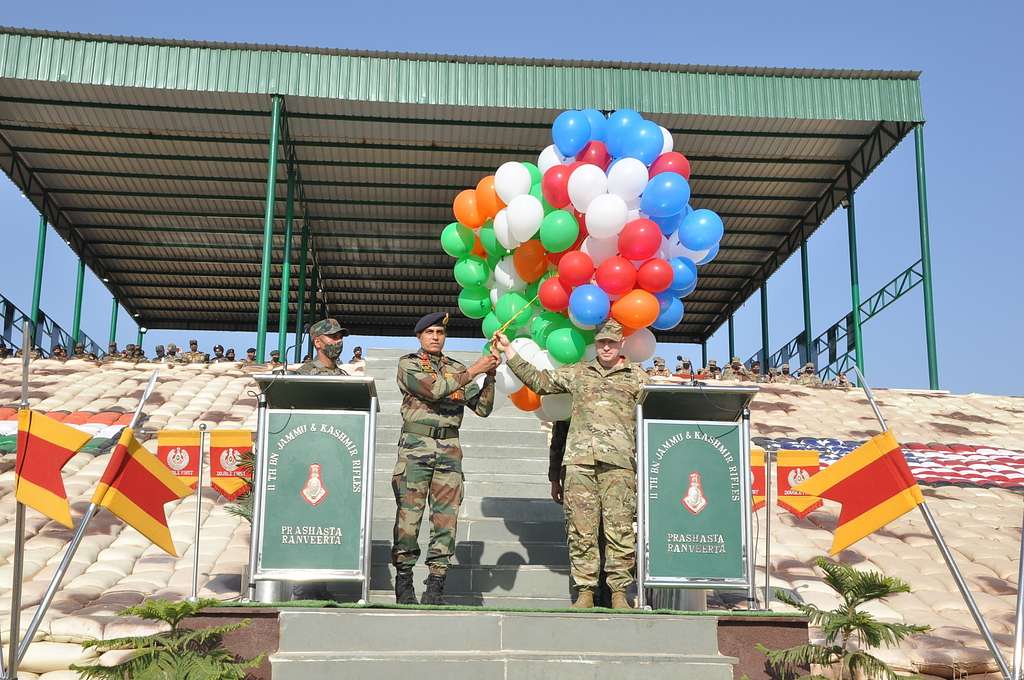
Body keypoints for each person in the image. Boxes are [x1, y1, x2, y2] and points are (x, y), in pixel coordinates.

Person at [494, 319, 648, 610]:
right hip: (580, 464)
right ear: (596, 343)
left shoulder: (637, 378)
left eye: (611, 343)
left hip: (620, 466)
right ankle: (586, 591)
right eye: (601, 342)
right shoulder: (579, 373)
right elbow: (540, 381)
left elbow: (657, 413)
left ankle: (618, 593)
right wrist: (509, 351)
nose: (605, 347)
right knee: (581, 529)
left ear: (622, 344)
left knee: (620, 529)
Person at [392, 312, 498, 605]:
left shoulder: (457, 367)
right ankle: (404, 581)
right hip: (415, 447)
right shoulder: (409, 364)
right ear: (419, 337)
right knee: (409, 518)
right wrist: (477, 368)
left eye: (440, 332)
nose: (436, 336)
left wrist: (490, 375)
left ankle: (436, 584)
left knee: (445, 519)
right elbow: (436, 388)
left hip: (449, 448)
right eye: (430, 332)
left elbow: (483, 408)